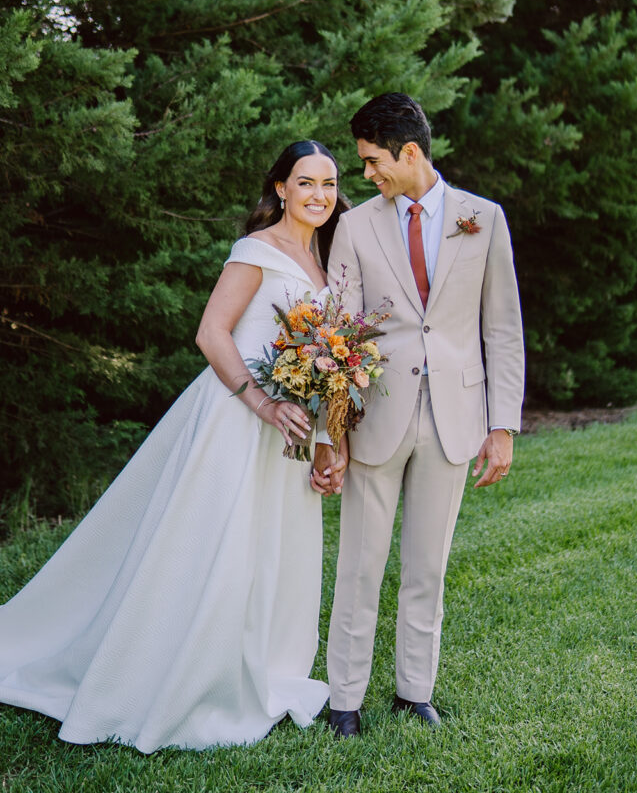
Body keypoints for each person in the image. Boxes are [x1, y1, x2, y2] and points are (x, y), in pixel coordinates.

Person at [0, 140, 349, 753]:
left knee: (271, 554)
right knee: (214, 550)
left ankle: (261, 669)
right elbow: (211, 332)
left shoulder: (326, 263)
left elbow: (330, 368)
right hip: (237, 420)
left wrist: (327, 441)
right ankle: (183, 678)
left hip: (290, 436)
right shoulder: (257, 251)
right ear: (280, 190)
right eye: (305, 182)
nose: (318, 195)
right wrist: (262, 403)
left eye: (328, 183)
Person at [313, 94, 524, 737]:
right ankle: (344, 699)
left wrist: (502, 424)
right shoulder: (356, 227)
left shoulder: (482, 219)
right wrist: (332, 430)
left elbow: (503, 329)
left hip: (456, 415)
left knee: (427, 564)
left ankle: (415, 692)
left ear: (410, 152)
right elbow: (336, 332)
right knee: (359, 564)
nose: (368, 174)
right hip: (377, 412)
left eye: (374, 162)